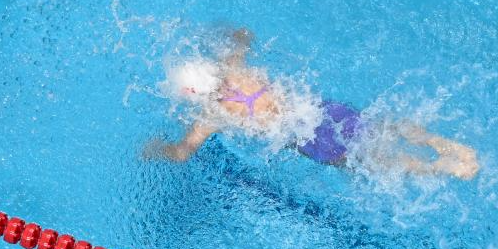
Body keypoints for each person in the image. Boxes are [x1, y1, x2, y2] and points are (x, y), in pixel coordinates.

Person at [148, 28, 479, 180]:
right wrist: (232, 35)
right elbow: (244, 36)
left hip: (312, 141)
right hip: (323, 112)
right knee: (382, 127)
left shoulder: (211, 114)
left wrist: (155, 149)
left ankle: (443, 168)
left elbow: (182, 152)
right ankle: (443, 144)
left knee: (375, 162)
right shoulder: (235, 69)